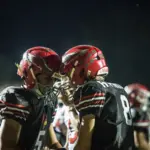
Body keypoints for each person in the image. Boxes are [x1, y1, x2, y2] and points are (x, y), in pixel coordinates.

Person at [60, 45, 135, 150]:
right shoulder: (118, 88)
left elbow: (83, 145)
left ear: (81, 69)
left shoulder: (91, 88)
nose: (66, 79)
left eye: (68, 73)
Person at [0, 46, 65, 150]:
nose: (52, 83)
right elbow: (7, 147)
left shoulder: (50, 99)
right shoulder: (19, 98)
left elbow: (52, 143)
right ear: (30, 74)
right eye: (48, 78)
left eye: (55, 79)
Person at [125, 83, 150, 150]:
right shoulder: (138, 88)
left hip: (139, 115)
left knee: (141, 143)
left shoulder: (131, 90)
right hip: (141, 114)